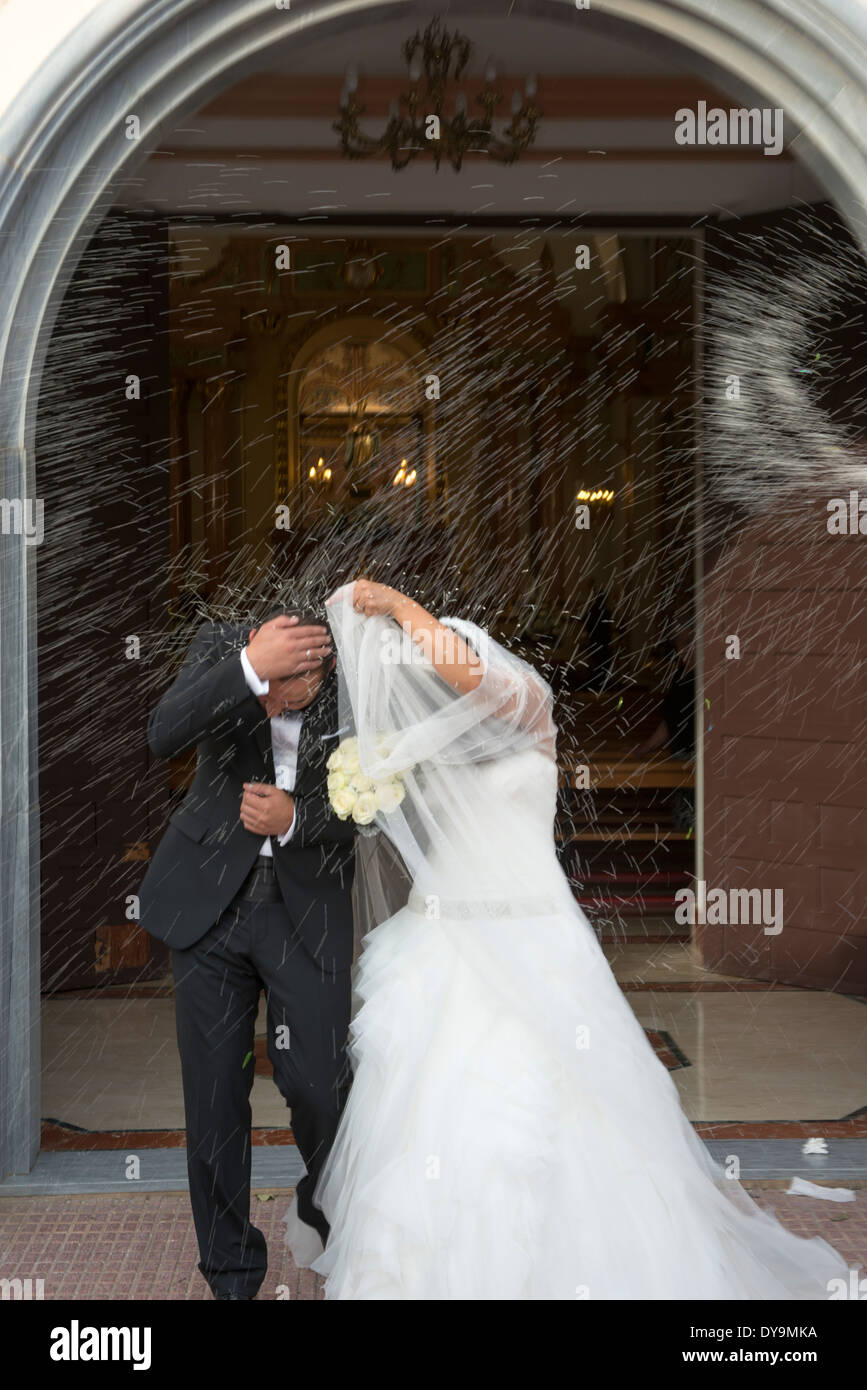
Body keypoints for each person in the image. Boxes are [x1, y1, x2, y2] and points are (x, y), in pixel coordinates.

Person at [292, 578, 849, 1299]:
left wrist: (400, 608)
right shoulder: (418, 750)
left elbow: (473, 681)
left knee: (557, 1093)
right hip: (446, 933)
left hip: (531, 930)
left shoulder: (523, 704)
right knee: (439, 1101)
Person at [140, 608, 357, 1299]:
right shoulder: (226, 645)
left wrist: (299, 819)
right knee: (213, 1100)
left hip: (306, 911)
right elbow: (162, 732)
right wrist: (248, 671)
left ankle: (325, 1215)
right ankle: (231, 1274)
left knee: (318, 1085)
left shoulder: (356, 672)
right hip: (208, 907)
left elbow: (383, 802)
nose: (302, 673)